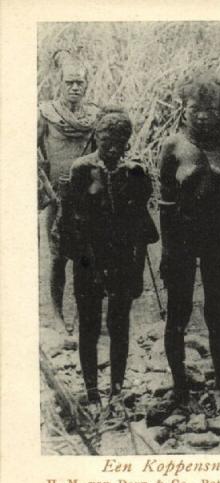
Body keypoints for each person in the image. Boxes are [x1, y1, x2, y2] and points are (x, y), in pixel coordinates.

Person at [158, 72, 220, 411]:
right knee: (178, 314)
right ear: (182, 108)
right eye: (194, 108)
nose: (201, 115)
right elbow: (165, 206)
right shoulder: (172, 147)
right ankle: (180, 387)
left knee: (216, 313)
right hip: (182, 237)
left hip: (218, 236)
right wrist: (166, 253)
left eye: (210, 109)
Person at [55, 108, 154, 415]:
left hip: (123, 257)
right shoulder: (81, 169)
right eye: (106, 137)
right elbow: (67, 220)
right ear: (96, 136)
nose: (113, 144)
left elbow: (142, 228)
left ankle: (117, 390)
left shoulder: (135, 172)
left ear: (128, 141)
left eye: (121, 138)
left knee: (119, 322)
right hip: (88, 257)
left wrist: (138, 271)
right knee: (88, 323)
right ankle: (92, 391)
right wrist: (75, 259)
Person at [38, 52, 100, 335]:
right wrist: (46, 186)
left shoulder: (95, 116)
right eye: (70, 82)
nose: (75, 87)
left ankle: (84, 315)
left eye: (80, 83)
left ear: (86, 86)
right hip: (56, 195)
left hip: (87, 195)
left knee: (88, 254)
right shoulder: (45, 114)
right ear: (59, 84)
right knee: (58, 256)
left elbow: (103, 153)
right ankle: (58, 315)